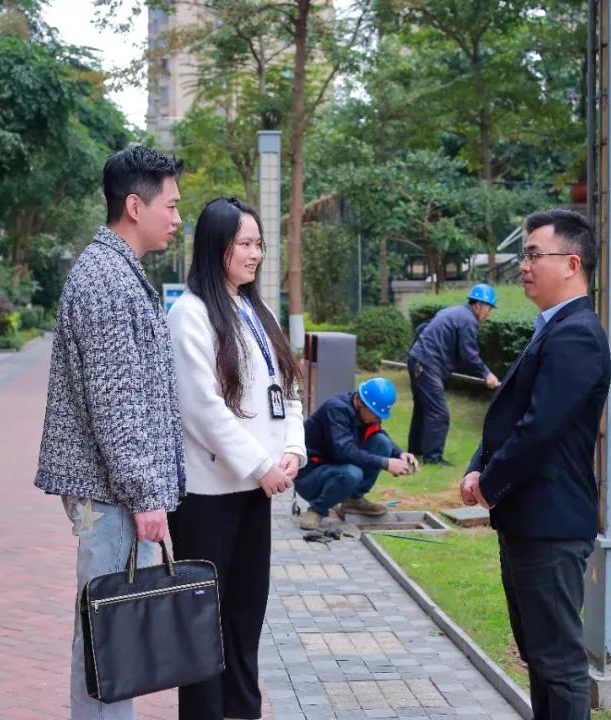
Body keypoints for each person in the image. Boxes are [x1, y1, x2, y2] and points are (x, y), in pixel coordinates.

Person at [34, 146, 186, 720]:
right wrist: (146, 496)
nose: (177, 218)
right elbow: (115, 405)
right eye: (171, 206)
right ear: (134, 206)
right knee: (109, 637)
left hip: (116, 490)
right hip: (112, 494)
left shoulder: (116, 271)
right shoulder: (104, 278)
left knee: (114, 632)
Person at [460, 209, 611, 720]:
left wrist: (490, 483)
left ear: (571, 263)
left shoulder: (577, 335)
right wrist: (479, 466)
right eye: (523, 256)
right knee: (539, 656)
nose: (523, 266)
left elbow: (541, 427)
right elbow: (513, 414)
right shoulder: (552, 328)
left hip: (551, 522)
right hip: (529, 518)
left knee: (558, 662)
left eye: (532, 255)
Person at [167, 196, 306, 720]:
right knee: (203, 620)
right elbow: (202, 409)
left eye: (258, 244)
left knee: (247, 613)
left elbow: (287, 390)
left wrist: (292, 449)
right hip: (207, 497)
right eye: (244, 244)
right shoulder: (190, 315)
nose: (255, 254)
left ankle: (243, 710)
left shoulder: (257, 309)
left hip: (254, 492)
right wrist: (260, 465)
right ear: (215, 246)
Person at [295, 377, 419, 531]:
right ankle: (317, 509)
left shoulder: (367, 415)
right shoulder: (336, 410)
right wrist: (386, 463)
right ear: (360, 402)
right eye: (376, 415)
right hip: (310, 477)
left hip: (335, 467)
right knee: (353, 473)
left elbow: (377, 434)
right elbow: (344, 451)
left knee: (383, 443)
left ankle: (353, 501)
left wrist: (400, 454)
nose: (378, 419)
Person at [407, 283, 499, 466]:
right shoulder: (468, 321)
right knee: (439, 413)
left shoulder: (454, 312)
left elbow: (422, 329)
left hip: (417, 359)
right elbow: (469, 354)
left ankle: (416, 450)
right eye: (489, 307)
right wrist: (487, 374)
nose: (489, 313)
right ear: (478, 305)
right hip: (427, 364)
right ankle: (433, 459)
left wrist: (420, 353)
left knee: (423, 408)